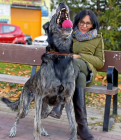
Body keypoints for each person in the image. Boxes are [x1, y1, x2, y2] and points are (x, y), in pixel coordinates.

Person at [49, 9, 105, 140]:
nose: (84, 26)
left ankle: (60, 102)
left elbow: (100, 62)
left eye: (88, 23)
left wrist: (80, 56)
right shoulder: (70, 36)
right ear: (77, 22)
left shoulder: (97, 39)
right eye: (82, 22)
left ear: (93, 25)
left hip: (88, 71)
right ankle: (82, 127)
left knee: (76, 63)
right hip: (71, 74)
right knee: (78, 76)